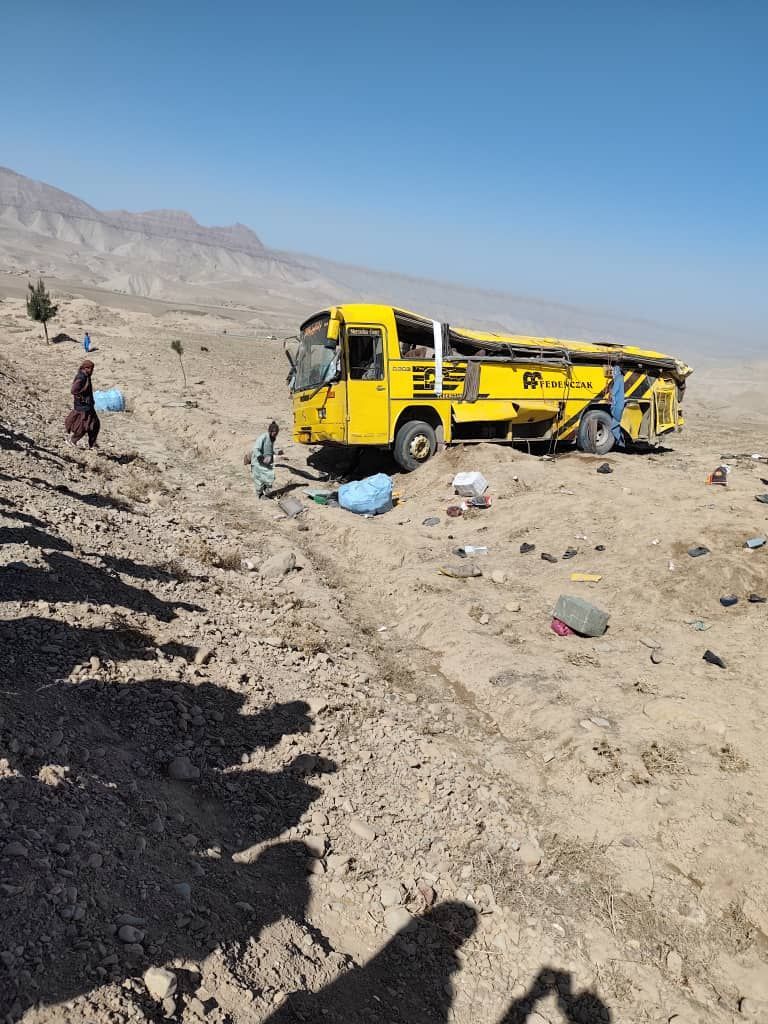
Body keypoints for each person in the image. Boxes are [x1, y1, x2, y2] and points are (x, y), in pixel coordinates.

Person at [64, 360, 100, 449]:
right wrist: (82, 399)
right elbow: (74, 390)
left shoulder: (86, 376)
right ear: (86, 368)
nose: (92, 371)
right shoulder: (81, 377)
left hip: (88, 406)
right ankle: (72, 440)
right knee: (83, 427)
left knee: (95, 424)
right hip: (83, 407)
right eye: (91, 369)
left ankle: (92, 444)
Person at [249, 421, 280, 498]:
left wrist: (276, 452)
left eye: (277, 433)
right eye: (274, 432)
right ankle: (260, 494)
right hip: (258, 462)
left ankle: (266, 490)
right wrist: (260, 457)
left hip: (267, 462)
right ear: (270, 431)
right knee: (259, 478)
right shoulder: (263, 437)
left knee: (269, 476)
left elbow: (268, 449)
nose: (276, 434)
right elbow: (256, 449)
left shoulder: (272, 438)